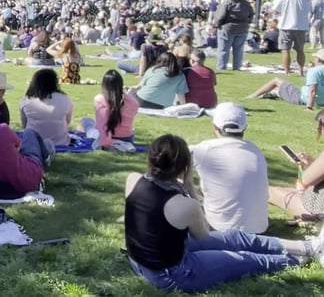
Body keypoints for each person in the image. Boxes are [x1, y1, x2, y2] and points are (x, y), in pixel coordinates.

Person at [124, 134, 320, 293]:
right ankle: (294, 260)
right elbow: (201, 236)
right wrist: (190, 186)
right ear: (184, 166)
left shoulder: (132, 180)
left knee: (234, 237)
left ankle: (307, 246)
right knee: (243, 259)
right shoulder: (184, 205)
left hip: (142, 260)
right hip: (174, 273)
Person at [190, 103, 268, 234]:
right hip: (259, 230)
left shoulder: (204, 150)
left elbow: (169, 165)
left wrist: (189, 188)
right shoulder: (256, 151)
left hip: (217, 230)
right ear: (245, 128)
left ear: (214, 127)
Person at [268, 109, 324, 219]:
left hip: (316, 208)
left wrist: (306, 166)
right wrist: (312, 164)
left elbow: (307, 180)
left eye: (320, 126)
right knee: (284, 189)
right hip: (314, 199)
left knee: (268, 191)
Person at [247, 48, 324, 110]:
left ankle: (252, 96)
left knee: (276, 80)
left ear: (318, 59)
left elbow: (312, 90)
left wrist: (309, 107)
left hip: (303, 99)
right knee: (287, 89)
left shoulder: (314, 71)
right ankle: (275, 93)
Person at [80, 70, 137, 149]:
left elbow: (103, 125)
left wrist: (106, 144)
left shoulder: (100, 99)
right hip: (127, 138)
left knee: (86, 121)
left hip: (108, 139)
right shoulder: (132, 102)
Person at [19, 68, 73, 147]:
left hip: (33, 143)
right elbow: (67, 121)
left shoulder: (26, 100)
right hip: (61, 142)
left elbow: (24, 124)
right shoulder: (64, 98)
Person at [272, 0, 311, 76]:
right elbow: (309, 9)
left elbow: (275, 8)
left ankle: (287, 71)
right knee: (300, 50)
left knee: (285, 49)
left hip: (286, 25)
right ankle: (301, 71)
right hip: (301, 26)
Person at [214, 0, 254, 72]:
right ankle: (237, 67)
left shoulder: (227, 3)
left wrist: (216, 25)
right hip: (243, 29)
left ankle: (221, 67)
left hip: (228, 28)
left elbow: (219, 17)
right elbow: (251, 16)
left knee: (224, 49)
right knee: (238, 50)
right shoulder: (246, 4)